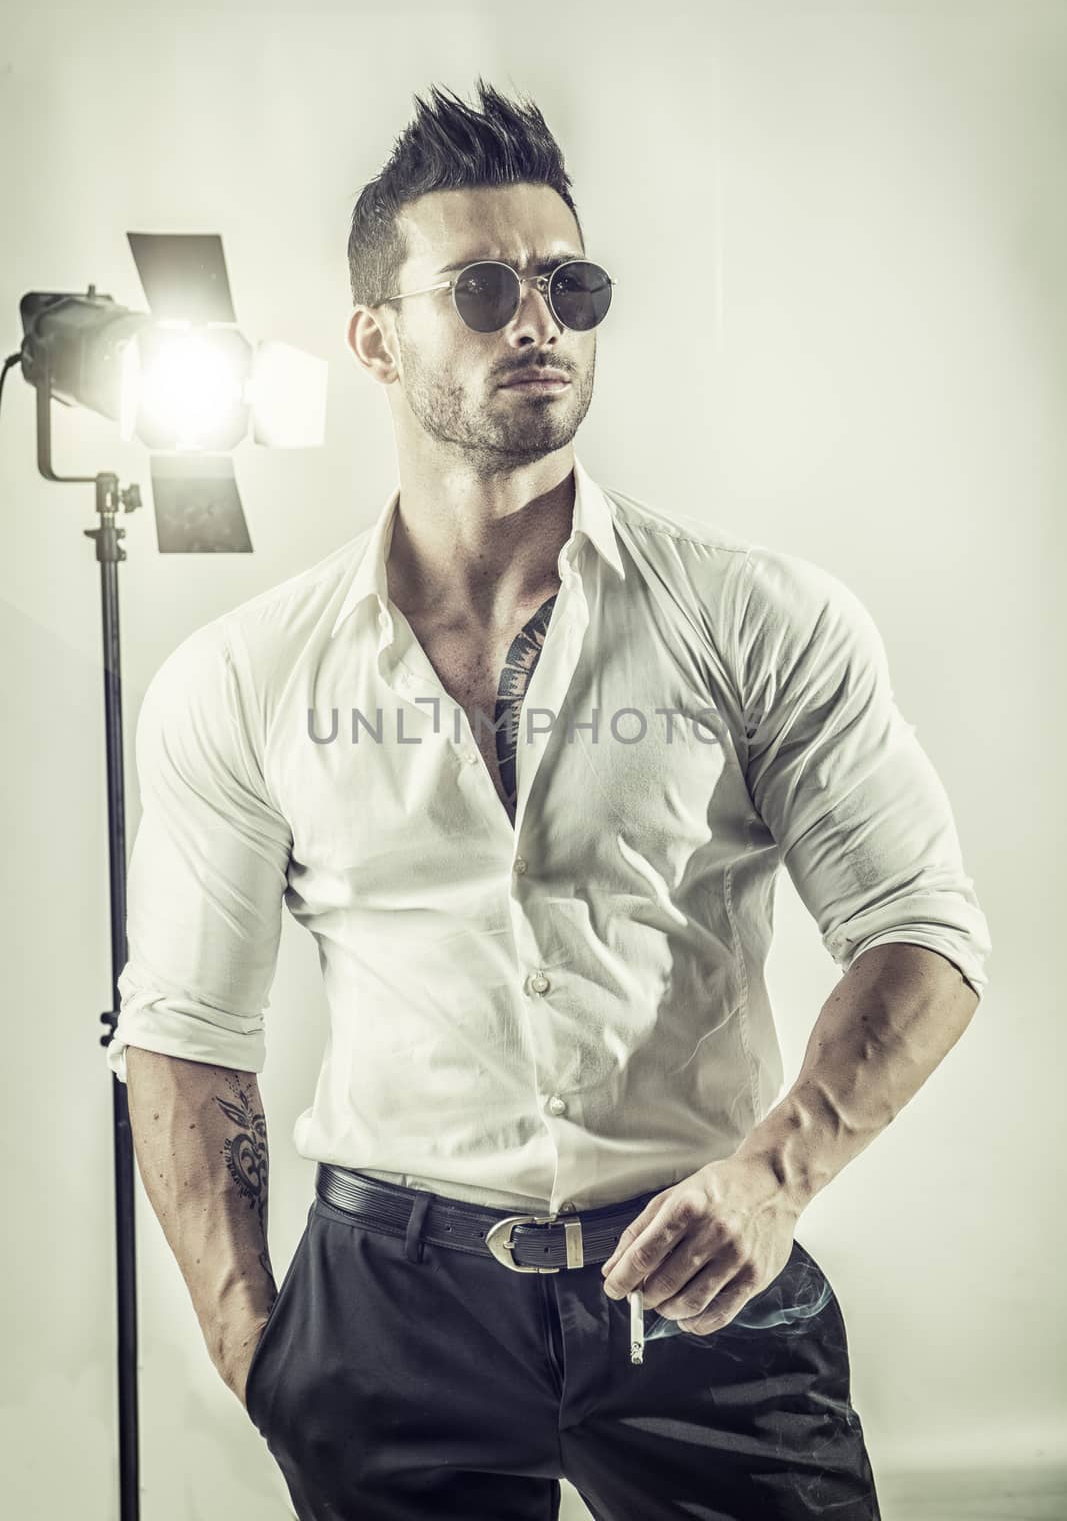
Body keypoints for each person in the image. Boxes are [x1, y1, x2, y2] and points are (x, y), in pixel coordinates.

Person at [108, 78, 991, 1521]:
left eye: (569, 284)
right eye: (483, 288)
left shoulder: (760, 617)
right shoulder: (243, 674)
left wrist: (773, 1178)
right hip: (386, 1300)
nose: (540, 320)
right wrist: (253, 1346)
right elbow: (186, 1037)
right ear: (374, 340)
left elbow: (924, 932)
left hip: (704, 1272)